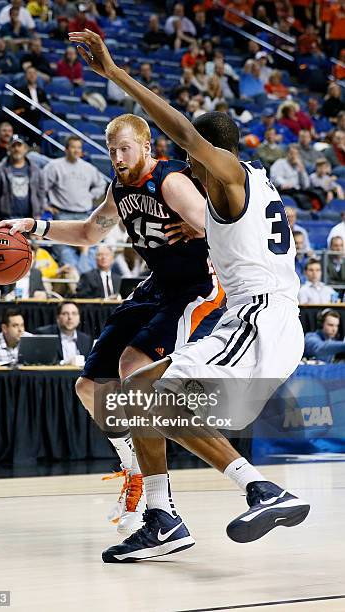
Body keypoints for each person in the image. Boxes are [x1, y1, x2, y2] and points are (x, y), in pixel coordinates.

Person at [66, 30, 310, 562]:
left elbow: (181, 129)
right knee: (140, 393)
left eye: (192, 159)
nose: (188, 169)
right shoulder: (258, 184)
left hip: (259, 318)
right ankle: (166, 516)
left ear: (210, 154)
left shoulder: (229, 175)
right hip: (259, 320)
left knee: (148, 397)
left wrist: (117, 75)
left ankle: (258, 491)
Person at [0, 112, 226, 537]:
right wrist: (31, 226)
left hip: (196, 289)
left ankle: (160, 505)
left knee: (133, 369)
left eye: (124, 148)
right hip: (156, 287)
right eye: (111, 149)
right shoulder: (119, 190)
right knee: (89, 387)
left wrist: (203, 226)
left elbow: (225, 225)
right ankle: (132, 468)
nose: (116, 156)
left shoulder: (170, 181)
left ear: (147, 147)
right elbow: (89, 234)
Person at [43, 135, 106, 270]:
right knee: (65, 254)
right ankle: (75, 281)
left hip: (85, 215)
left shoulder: (88, 168)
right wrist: (45, 205)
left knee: (89, 250)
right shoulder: (54, 166)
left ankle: (84, 282)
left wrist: (90, 196)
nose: (76, 150)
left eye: (79, 148)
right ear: (66, 149)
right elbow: (41, 188)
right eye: (73, 147)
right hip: (62, 215)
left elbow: (101, 184)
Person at [0, 134, 45, 221]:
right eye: (13, 146)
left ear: (25, 148)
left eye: (19, 145)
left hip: (29, 221)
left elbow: (41, 193)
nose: (16, 149)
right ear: (8, 149)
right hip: (6, 220)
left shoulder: (35, 170)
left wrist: (38, 214)